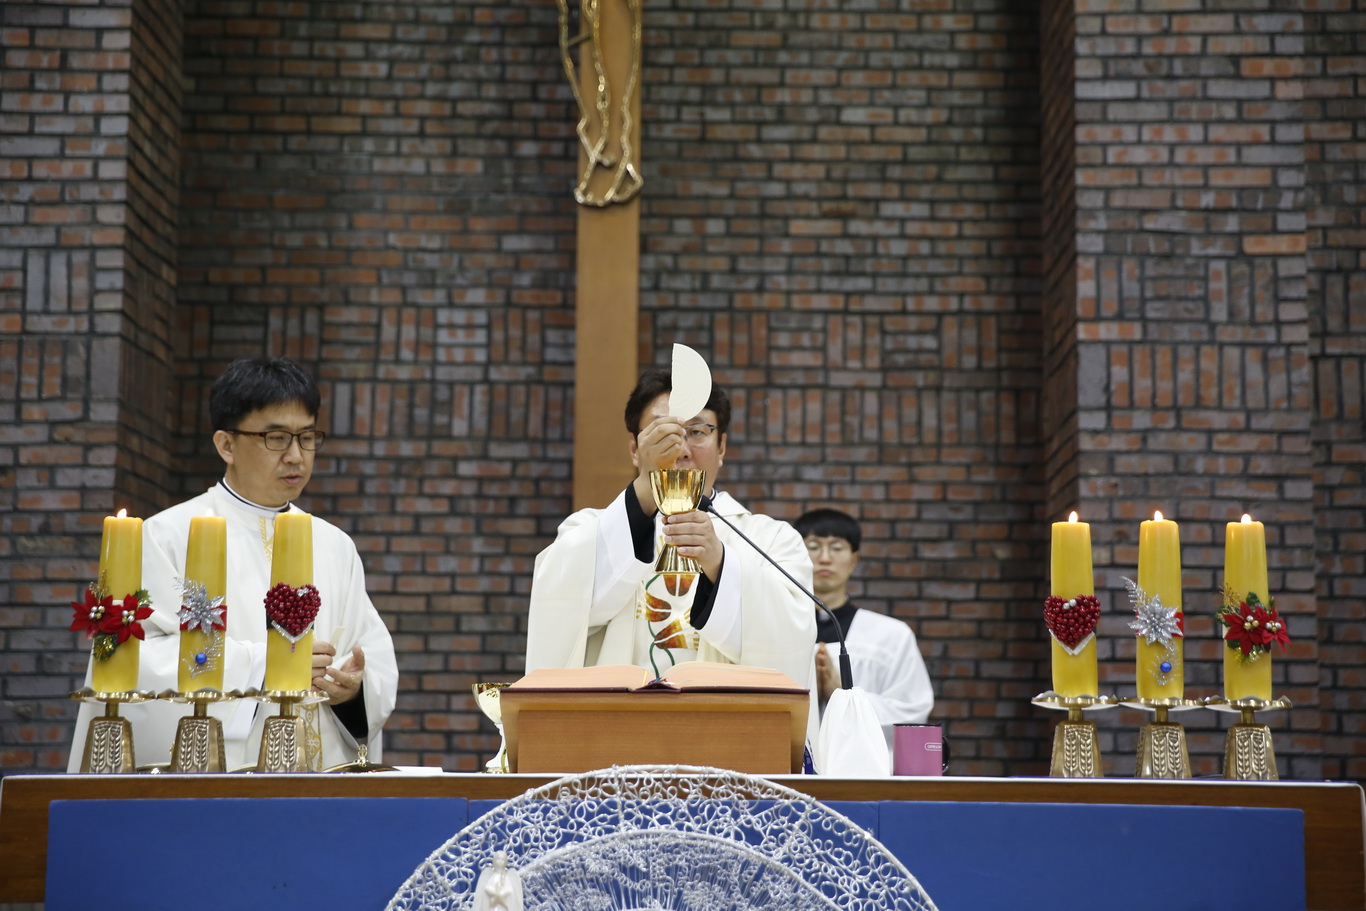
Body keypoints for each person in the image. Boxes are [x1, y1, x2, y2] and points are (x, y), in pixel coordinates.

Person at [68, 356, 398, 771]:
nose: (296, 455)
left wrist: (353, 691)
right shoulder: (167, 536)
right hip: (218, 783)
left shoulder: (334, 545)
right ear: (226, 445)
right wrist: (265, 664)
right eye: (277, 437)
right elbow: (136, 661)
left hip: (321, 781)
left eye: (307, 436)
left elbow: (374, 659)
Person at [525, 368, 817, 727]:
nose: (679, 449)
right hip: (612, 739)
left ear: (722, 447)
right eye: (662, 434)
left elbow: (790, 642)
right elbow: (561, 606)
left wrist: (718, 561)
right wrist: (649, 487)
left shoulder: (771, 540)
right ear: (635, 449)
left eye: (696, 432)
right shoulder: (588, 531)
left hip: (727, 741)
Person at [795, 508, 933, 759]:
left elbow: (913, 710)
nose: (824, 558)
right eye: (813, 546)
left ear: (854, 560)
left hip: (865, 769)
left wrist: (846, 697)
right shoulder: (777, 632)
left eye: (837, 548)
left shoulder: (890, 635)